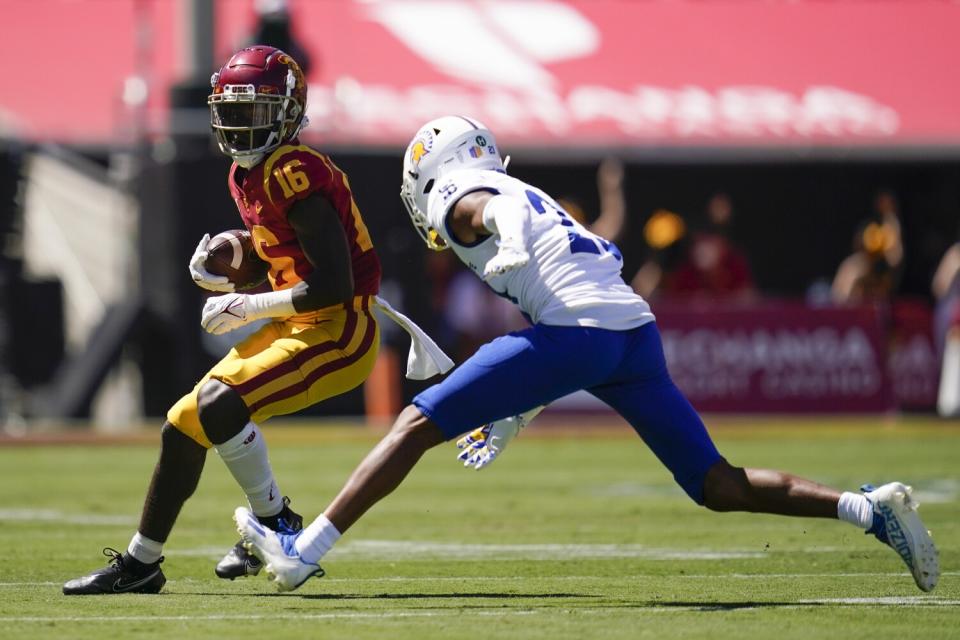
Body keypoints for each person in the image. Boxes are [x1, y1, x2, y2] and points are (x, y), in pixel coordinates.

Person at [236, 116, 939, 594]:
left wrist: (506, 240)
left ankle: (304, 553)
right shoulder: (530, 192)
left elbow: (490, 214)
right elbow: (602, 263)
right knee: (715, 485)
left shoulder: (467, 194)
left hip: (582, 334)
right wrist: (517, 407)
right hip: (632, 336)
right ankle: (865, 509)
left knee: (416, 425)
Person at [62, 47, 452, 595]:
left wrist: (248, 306)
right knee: (182, 424)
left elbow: (334, 284)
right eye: (234, 111)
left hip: (340, 330)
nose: (242, 125)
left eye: (257, 112)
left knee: (219, 404)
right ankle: (141, 562)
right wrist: (232, 262)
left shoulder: (293, 169)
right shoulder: (247, 175)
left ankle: (276, 522)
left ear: (289, 113)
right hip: (304, 322)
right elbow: (283, 263)